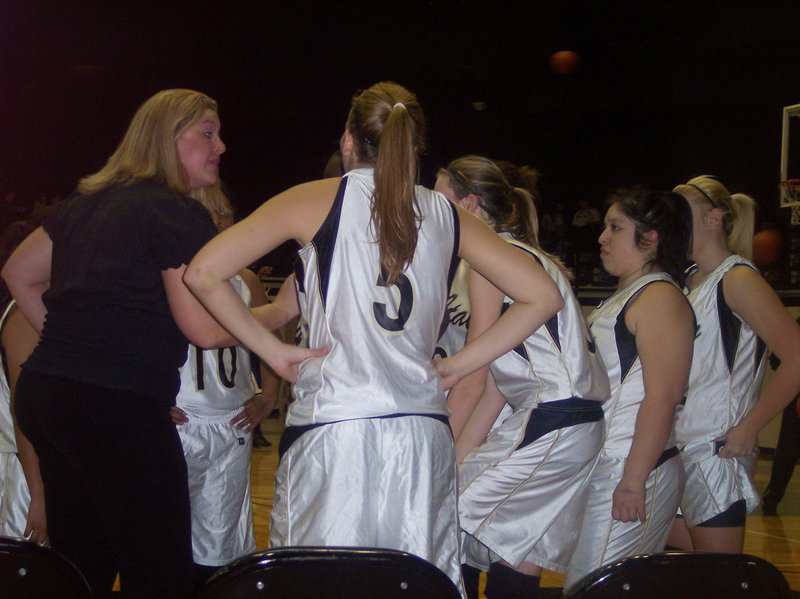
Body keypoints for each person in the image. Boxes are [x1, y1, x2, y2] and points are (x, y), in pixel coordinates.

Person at [184, 81, 564, 594]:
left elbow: (203, 273)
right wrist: (457, 365)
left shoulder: (312, 199)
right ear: (413, 146)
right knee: (414, 583)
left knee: (319, 583)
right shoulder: (446, 214)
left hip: (335, 426)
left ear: (348, 141)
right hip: (421, 432)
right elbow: (544, 296)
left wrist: (271, 351)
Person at [1, 89, 316, 599]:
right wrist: (279, 314)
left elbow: (19, 274)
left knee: (84, 562)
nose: (222, 146)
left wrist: (76, 344)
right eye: (207, 133)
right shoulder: (175, 211)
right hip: (112, 407)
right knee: (160, 574)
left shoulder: (86, 203)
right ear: (167, 141)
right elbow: (206, 330)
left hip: (48, 395)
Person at [435, 156, 610, 599]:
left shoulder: (487, 261)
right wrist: (456, 458)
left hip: (555, 419)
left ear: (469, 205)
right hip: (566, 422)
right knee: (511, 548)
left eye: (439, 202)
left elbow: (472, 377)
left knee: (444, 514)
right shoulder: (528, 255)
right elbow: (495, 384)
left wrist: (437, 456)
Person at [565, 188, 695, 590]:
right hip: (608, 466)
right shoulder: (620, 299)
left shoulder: (660, 298)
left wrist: (635, 480)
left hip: (634, 469)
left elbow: (664, 395)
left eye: (615, 227)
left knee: (593, 587)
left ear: (650, 238)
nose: (602, 236)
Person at [667, 176, 800, 549]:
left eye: (682, 212)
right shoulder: (685, 280)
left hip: (715, 451)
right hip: (673, 447)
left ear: (714, 218)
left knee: (716, 580)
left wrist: (749, 427)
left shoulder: (738, 278)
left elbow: (797, 357)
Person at [170, 182, 273, 586]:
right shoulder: (166, 274)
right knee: (166, 544)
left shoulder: (247, 280)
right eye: (205, 210)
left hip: (233, 421)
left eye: (223, 210)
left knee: (220, 554)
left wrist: (270, 395)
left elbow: (273, 342)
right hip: (179, 420)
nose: (215, 220)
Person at [0, 220, 47, 546]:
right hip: (21, 468)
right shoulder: (22, 320)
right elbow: (23, 413)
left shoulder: (41, 311)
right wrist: (39, 496)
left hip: (32, 462)